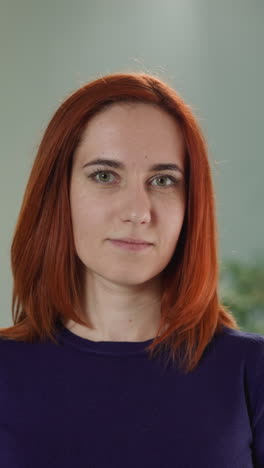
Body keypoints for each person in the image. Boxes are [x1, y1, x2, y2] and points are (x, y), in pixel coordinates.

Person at [0, 72, 263, 467]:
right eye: (105, 176)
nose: (138, 212)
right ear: (58, 193)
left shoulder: (252, 372)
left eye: (162, 180)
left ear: (191, 205)